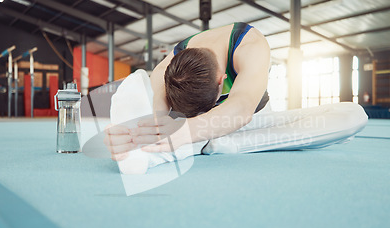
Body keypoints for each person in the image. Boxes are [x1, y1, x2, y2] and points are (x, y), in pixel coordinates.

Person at [104, 22, 272, 161]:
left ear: (222, 79)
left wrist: (185, 131)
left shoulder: (251, 46)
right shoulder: (165, 68)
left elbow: (243, 108)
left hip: (256, 114)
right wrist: (134, 135)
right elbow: (155, 117)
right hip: (204, 121)